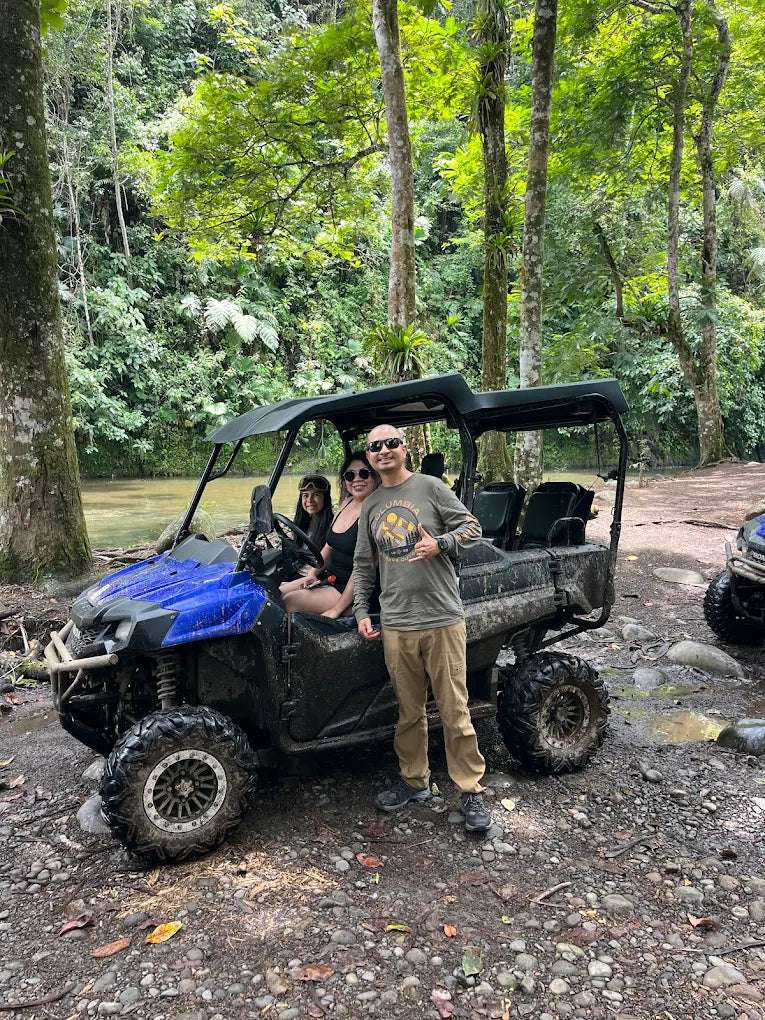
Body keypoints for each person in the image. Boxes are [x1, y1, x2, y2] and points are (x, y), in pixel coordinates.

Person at [352, 424, 491, 833]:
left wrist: (441, 544)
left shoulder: (431, 487)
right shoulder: (371, 504)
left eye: (391, 443)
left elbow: (472, 528)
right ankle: (414, 781)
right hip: (396, 623)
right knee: (408, 712)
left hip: (442, 618)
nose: (383, 451)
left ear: (404, 449)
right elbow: (364, 564)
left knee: (454, 709)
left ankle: (470, 790)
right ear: (369, 455)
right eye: (375, 446)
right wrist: (361, 610)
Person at [282, 451, 379, 618]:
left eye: (364, 473)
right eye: (350, 475)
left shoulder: (377, 513)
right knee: (277, 592)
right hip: (331, 579)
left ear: (376, 476)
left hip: (354, 592)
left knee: (289, 600)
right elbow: (329, 545)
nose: (356, 479)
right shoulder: (346, 503)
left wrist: (337, 609)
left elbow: (364, 569)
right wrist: (313, 574)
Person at [279, 475, 333, 596]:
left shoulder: (332, 526)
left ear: (325, 498)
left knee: (276, 593)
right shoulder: (304, 522)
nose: (310, 500)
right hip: (296, 572)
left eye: (316, 495)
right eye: (305, 495)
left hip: (314, 578)